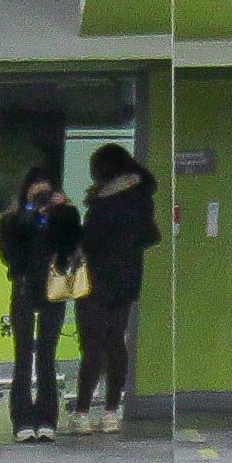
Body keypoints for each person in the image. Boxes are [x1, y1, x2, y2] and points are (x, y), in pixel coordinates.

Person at [70, 141, 156, 432]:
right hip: (127, 278)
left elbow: (92, 241)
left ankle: (82, 412)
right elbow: (149, 236)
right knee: (116, 342)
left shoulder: (105, 201)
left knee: (92, 344)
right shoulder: (141, 196)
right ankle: (111, 411)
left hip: (97, 278)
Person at [0, 165, 80, 443]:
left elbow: (71, 246)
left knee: (46, 355)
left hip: (53, 290)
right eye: (36, 191)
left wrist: (59, 213)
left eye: (46, 191)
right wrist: (31, 215)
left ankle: (47, 419)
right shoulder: (13, 219)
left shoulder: (63, 215)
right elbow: (9, 252)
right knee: (23, 355)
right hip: (24, 288)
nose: (42, 196)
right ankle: (22, 419)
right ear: (26, 192)